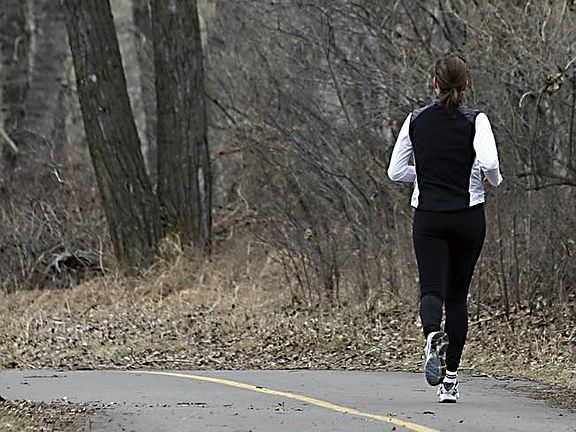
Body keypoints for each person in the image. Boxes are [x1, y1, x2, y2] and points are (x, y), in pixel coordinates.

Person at [387, 53, 503, 403]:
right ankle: (450, 381)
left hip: (429, 218)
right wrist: (493, 179)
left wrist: (422, 175)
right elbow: (490, 162)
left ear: (434, 84)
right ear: (466, 84)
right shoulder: (476, 120)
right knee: (457, 297)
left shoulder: (415, 119)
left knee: (431, 290)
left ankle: (431, 336)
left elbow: (395, 171)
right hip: (468, 217)